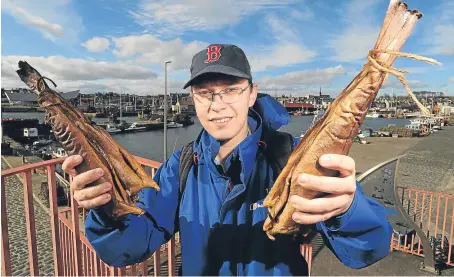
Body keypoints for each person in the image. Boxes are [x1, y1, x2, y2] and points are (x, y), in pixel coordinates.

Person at [62, 44, 392, 276]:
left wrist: (345, 210)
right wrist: (106, 209)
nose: (217, 104)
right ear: (193, 99)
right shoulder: (182, 167)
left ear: (251, 93)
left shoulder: (293, 157)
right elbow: (128, 248)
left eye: (231, 88)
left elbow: (368, 251)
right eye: (204, 92)